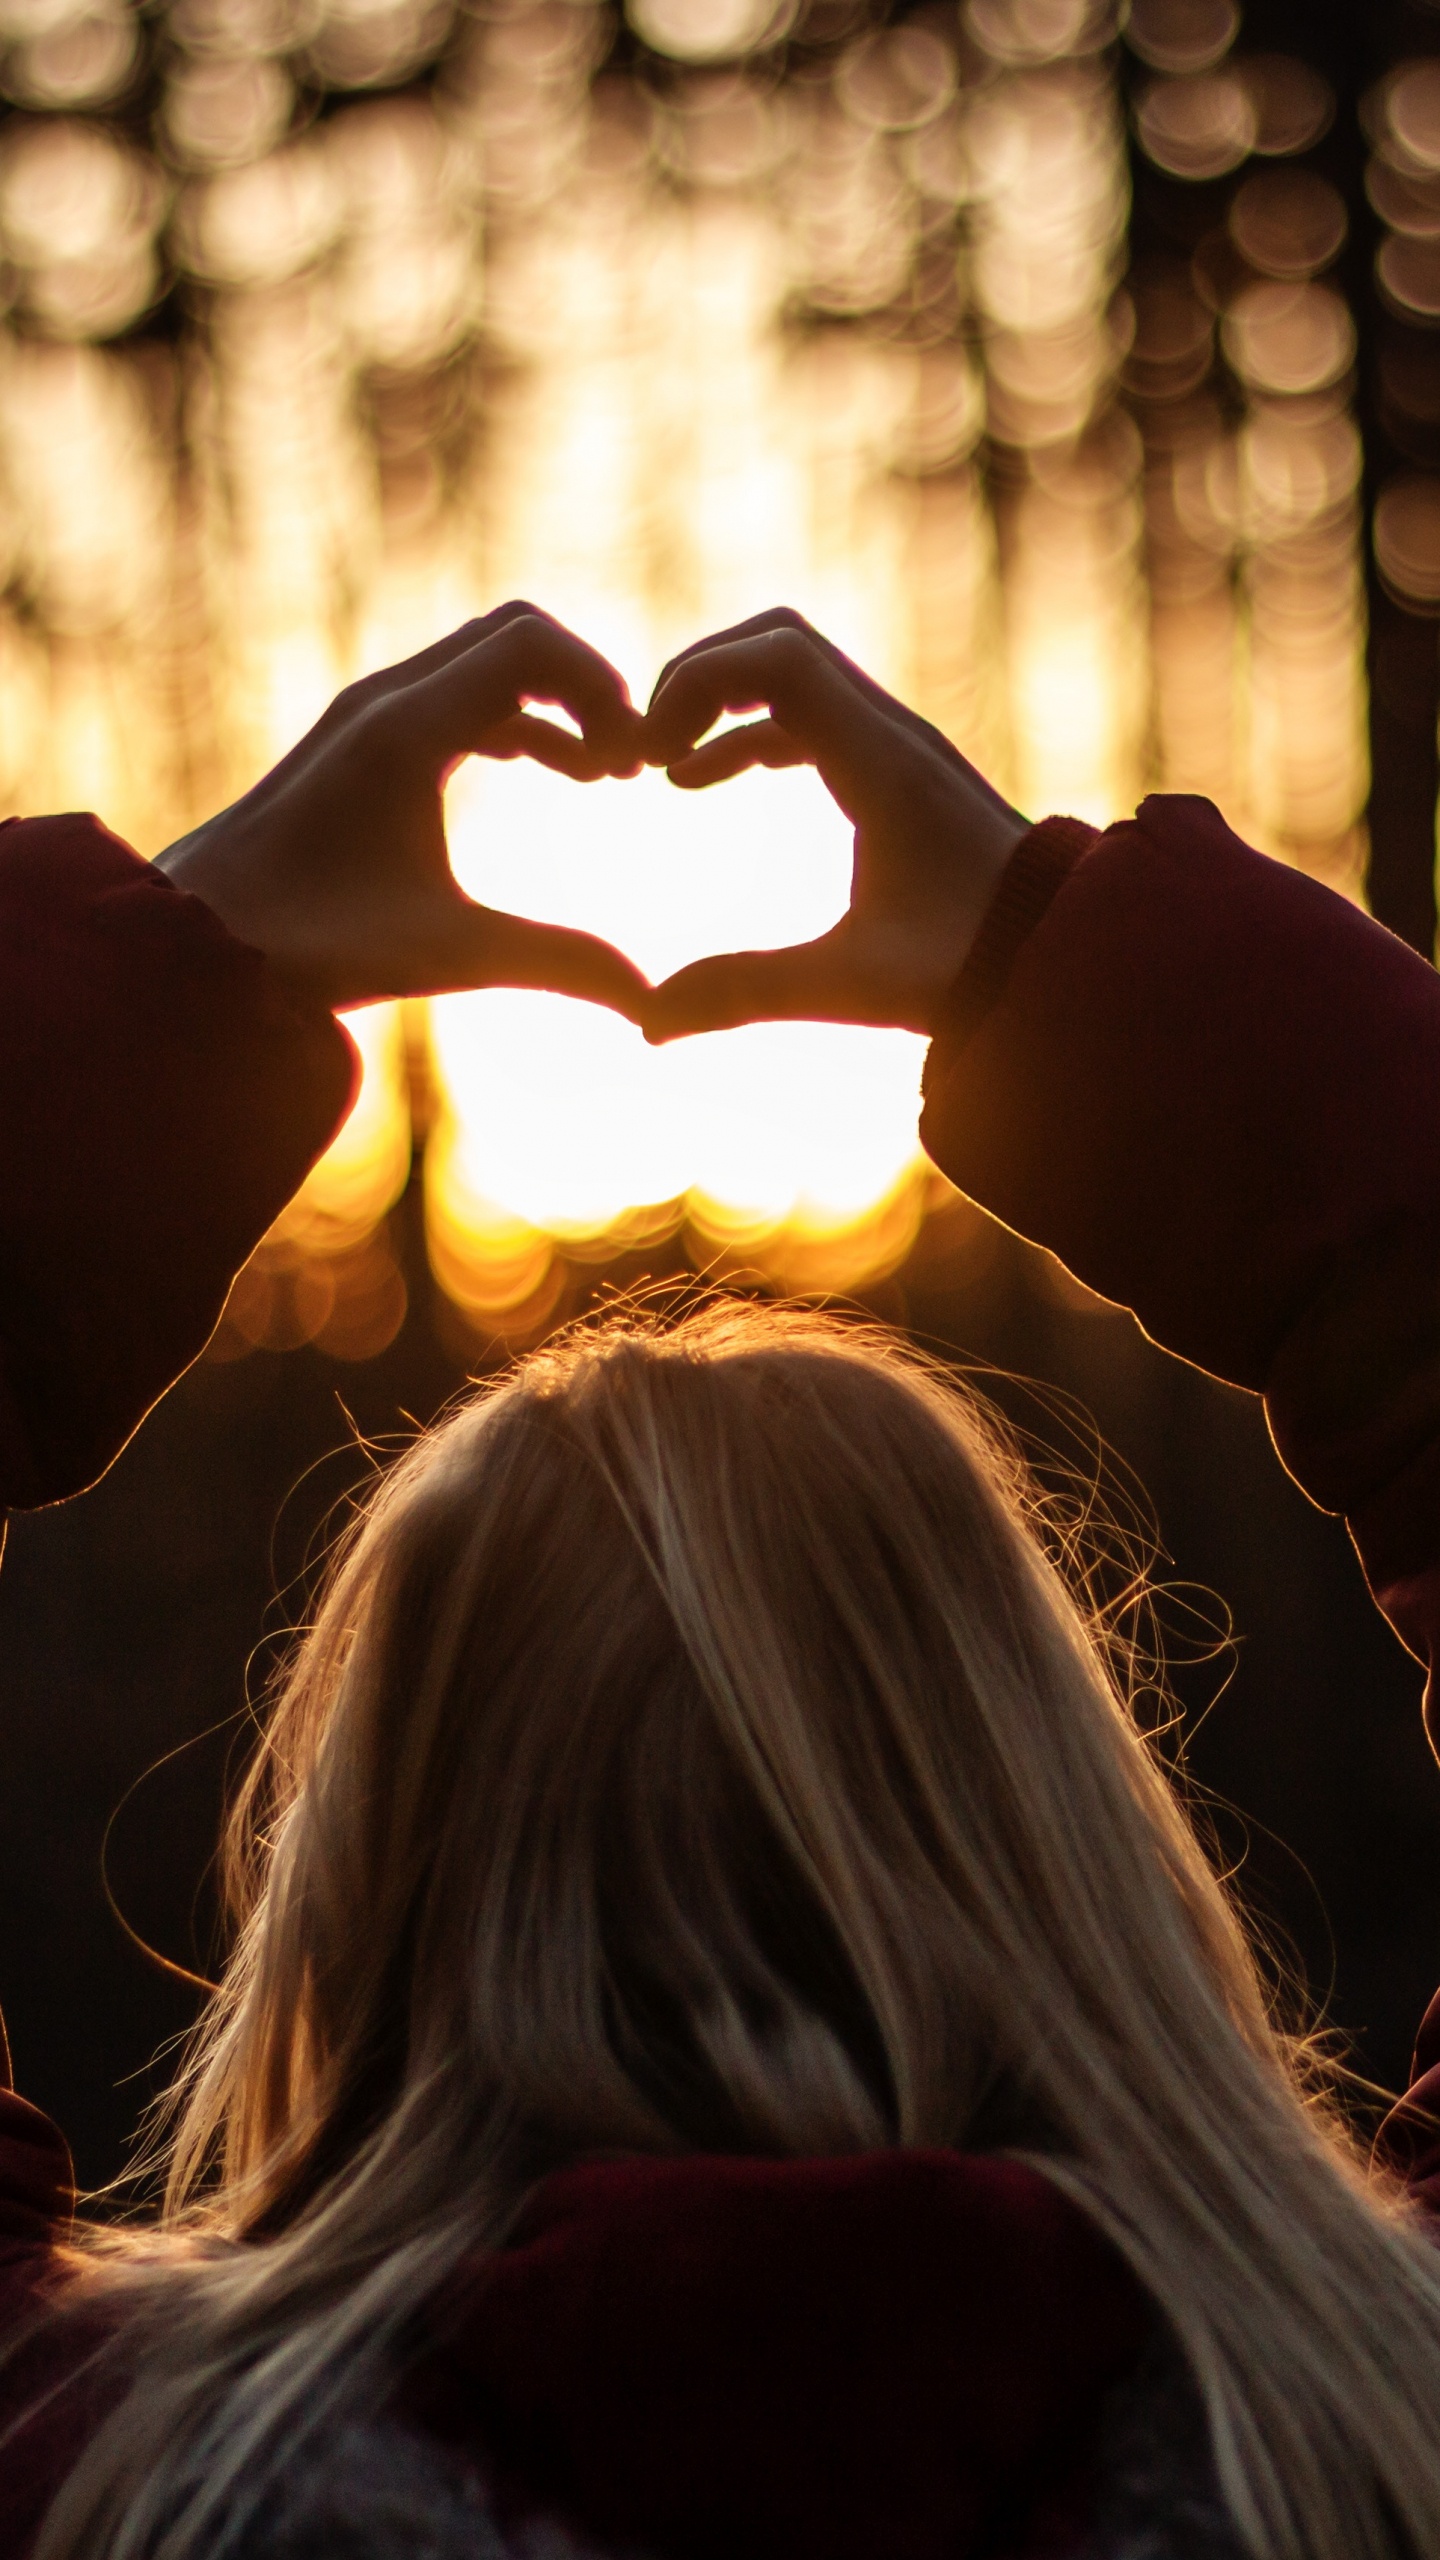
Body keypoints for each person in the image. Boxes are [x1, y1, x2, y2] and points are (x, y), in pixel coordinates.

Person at [0, 602, 1439, 2560]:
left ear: (372, 1859)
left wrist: (201, 941)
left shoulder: (86, 2476)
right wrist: (1049, 954)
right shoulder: (1378, 2426)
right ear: (1059, 1812)